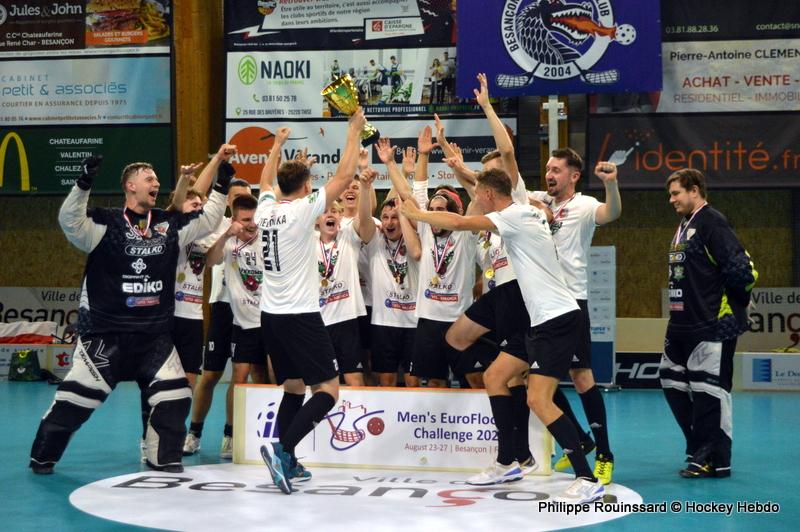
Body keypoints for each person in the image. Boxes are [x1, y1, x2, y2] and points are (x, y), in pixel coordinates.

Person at [401, 168, 605, 504]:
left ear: (488, 195)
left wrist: (417, 214)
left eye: (478, 195)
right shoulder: (521, 214)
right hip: (537, 321)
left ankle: (586, 477)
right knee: (495, 376)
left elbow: (460, 223)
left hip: (557, 319)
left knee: (538, 399)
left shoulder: (514, 215)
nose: (476, 200)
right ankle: (508, 461)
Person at [29, 155, 228, 474]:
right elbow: (70, 222)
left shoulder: (168, 223)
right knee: (77, 401)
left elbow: (208, 220)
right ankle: (42, 457)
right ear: (130, 186)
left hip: (154, 338)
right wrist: (83, 184)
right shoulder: (104, 222)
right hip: (104, 336)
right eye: (149, 178)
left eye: (156, 179)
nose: (156, 183)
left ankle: (163, 457)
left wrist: (222, 185)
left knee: (176, 395)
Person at [257, 111, 364, 494]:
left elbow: (264, 181)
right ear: (305, 187)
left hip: (270, 315)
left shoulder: (265, 210)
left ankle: (288, 459)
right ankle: (282, 450)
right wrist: (353, 133)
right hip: (299, 315)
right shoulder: (302, 211)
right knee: (328, 390)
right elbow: (344, 177)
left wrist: (276, 146)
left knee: (293, 387)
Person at [528, 148, 621, 485]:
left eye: (556, 170)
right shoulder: (540, 200)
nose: (549, 175)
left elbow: (611, 213)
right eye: (547, 169)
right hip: (540, 304)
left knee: (581, 377)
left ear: (574, 176)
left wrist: (611, 185)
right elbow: (501, 186)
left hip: (570, 303)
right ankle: (581, 439)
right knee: (535, 376)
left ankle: (605, 454)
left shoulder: (583, 206)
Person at [660, 168, 756, 478]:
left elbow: (741, 269)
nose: (672, 200)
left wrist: (739, 302)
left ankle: (712, 457)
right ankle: (699, 447)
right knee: (671, 381)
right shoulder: (685, 225)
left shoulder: (712, 221)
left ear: (695, 190)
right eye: (670, 194)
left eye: (676, 193)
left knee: (709, 392)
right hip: (680, 324)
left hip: (711, 324)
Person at [377, 129, 483, 389]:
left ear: (453, 213)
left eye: (440, 211)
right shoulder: (425, 228)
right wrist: (391, 163)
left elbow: (479, 196)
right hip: (428, 319)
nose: (433, 214)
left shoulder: (465, 233)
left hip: (460, 319)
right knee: (435, 380)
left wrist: (459, 167)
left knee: (474, 379)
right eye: (431, 210)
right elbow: (410, 194)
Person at [183, 177, 254, 458]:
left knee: (241, 374)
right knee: (211, 373)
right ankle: (194, 432)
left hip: (249, 310)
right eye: (235, 197)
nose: (240, 202)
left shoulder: (255, 227)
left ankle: (230, 435)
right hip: (222, 305)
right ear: (227, 202)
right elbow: (209, 258)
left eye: (245, 197)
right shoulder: (215, 225)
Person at [206, 193, 270, 456]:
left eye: (254, 218)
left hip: (271, 320)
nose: (251, 224)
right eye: (245, 220)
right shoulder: (229, 242)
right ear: (234, 220)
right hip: (242, 324)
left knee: (270, 376)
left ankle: (270, 433)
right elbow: (210, 261)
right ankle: (230, 434)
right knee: (239, 377)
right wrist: (225, 235)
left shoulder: (266, 239)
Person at [316, 168, 377, 386]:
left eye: (335, 211)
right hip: (317, 321)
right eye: (325, 211)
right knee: (323, 381)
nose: (330, 214)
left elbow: (365, 219)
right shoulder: (307, 241)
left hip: (347, 320)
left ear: (341, 217)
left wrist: (365, 187)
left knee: (355, 379)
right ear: (316, 220)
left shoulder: (349, 236)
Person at [365, 196, 421, 387]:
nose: (389, 223)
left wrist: (405, 216)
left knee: (413, 380)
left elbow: (417, 252)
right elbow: (364, 217)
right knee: (386, 380)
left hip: (413, 322)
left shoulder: (416, 239)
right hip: (384, 322)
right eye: (385, 217)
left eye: (395, 217)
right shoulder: (375, 239)